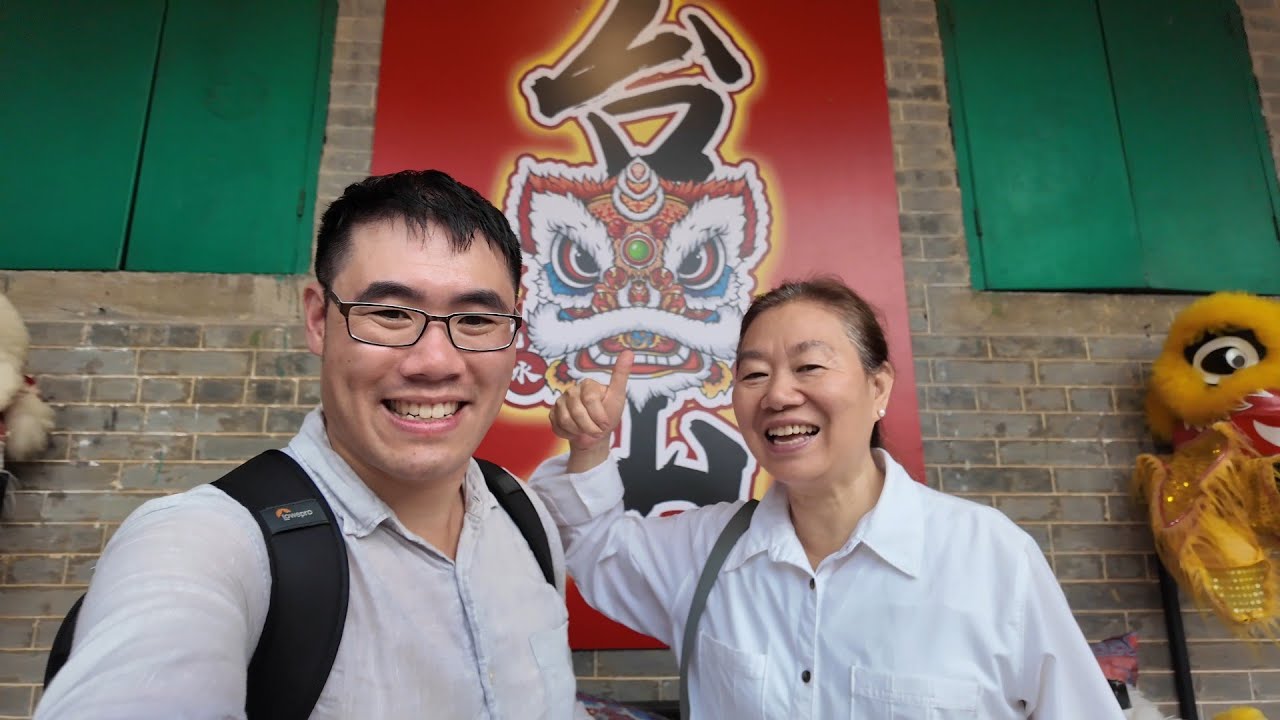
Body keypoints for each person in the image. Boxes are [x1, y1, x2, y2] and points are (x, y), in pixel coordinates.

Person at [35, 170, 583, 719]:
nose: (436, 362)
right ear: (320, 321)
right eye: (391, 314)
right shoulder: (207, 544)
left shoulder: (525, 517)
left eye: (476, 319)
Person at [530, 277, 1124, 719]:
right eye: (754, 374)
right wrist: (589, 447)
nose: (779, 394)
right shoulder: (704, 553)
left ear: (878, 387)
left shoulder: (989, 558)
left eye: (810, 366)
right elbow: (594, 545)